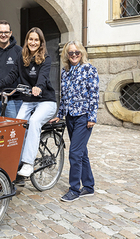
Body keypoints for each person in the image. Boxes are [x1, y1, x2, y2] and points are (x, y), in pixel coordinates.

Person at [0, 27, 57, 177]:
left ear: (41, 43)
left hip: (46, 101)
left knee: (33, 122)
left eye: (36, 40)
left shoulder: (46, 58)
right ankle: (15, 161)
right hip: (28, 100)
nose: (33, 42)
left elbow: (43, 77)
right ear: (26, 41)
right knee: (17, 126)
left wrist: (38, 87)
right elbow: (12, 75)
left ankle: (28, 164)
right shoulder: (21, 58)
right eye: (30, 39)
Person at [50, 40, 99, 202]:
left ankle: (74, 190)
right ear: (67, 54)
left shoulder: (89, 69)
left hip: (84, 116)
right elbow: (64, 96)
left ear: (82, 53)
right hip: (71, 116)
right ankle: (89, 186)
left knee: (75, 153)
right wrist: (61, 114)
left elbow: (94, 94)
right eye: (71, 53)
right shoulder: (65, 71)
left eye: (77, 52)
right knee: (81, 152)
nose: (74, 55)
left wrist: (92, 117)